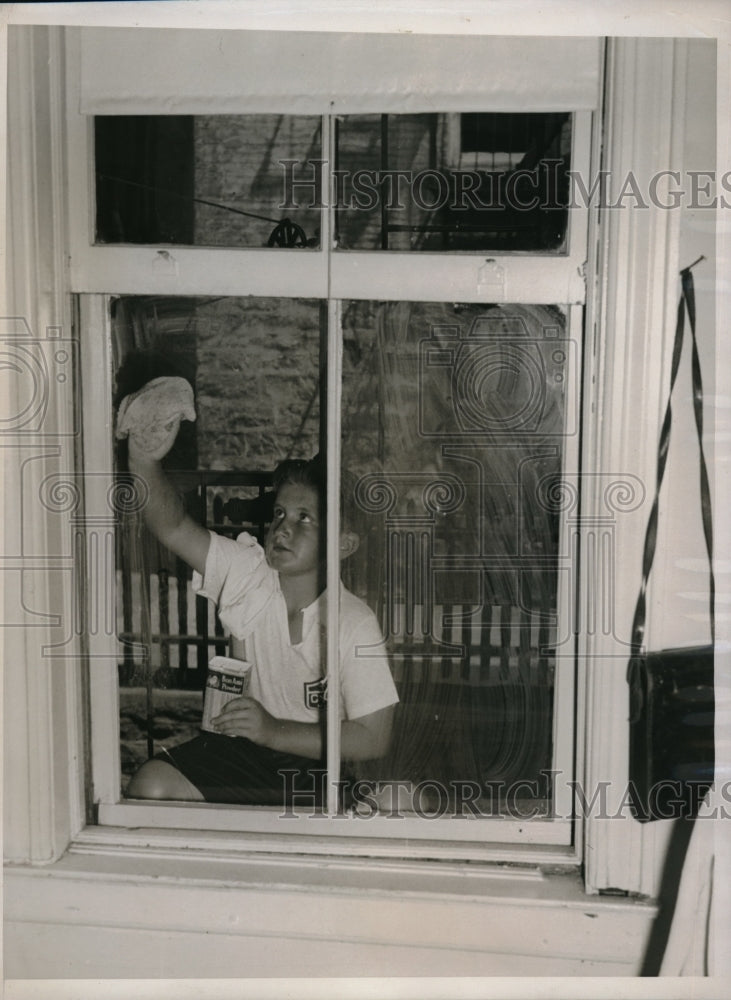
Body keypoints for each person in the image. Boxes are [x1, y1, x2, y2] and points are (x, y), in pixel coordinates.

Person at [121, 378, 398, 807]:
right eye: (280, 513)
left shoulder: (354, 622)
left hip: (316, 764)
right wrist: (144, 459)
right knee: (151, 786)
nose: (283, 527)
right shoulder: (250, 572)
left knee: (323, 823)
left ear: (344, 543)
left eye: (306, 518)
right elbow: (173, 526)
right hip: (243, 752)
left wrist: (273, 731)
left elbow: (374, 738)